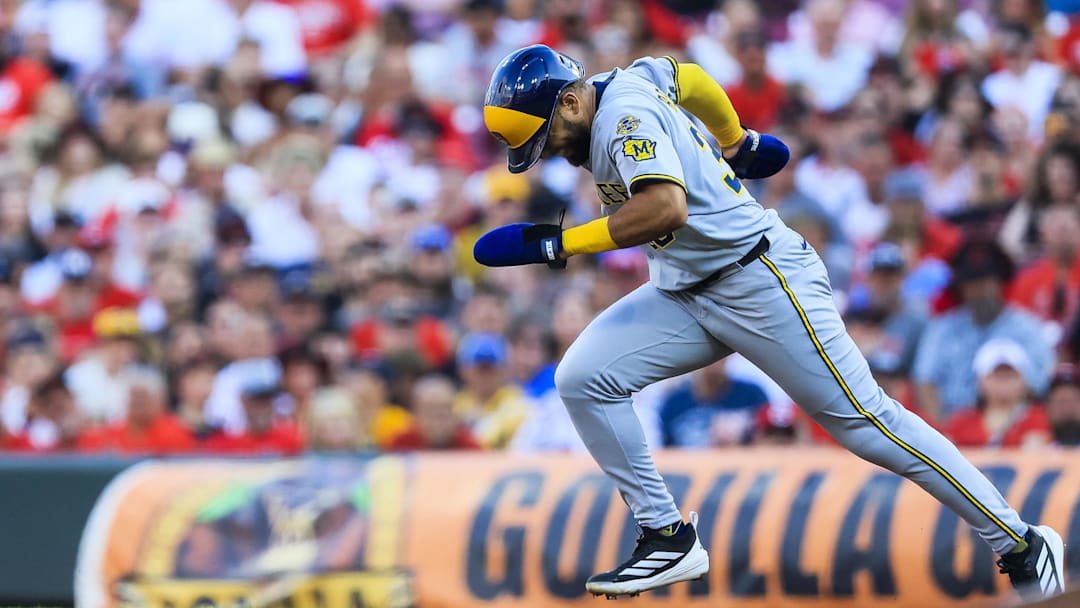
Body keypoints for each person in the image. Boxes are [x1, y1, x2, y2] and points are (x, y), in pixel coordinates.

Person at [474, 44, 1065, 599]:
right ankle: (666, 537)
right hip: (687, 289)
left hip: (759, 279)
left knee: (868, 424)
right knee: (583, 378)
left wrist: (561, 245)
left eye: (546, 136)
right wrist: (737, 140)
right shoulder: (626, 81)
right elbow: (689, 77)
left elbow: (664, 207)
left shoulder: (622, 114)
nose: (549, 152)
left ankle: (1022, 542)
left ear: (571, 102)